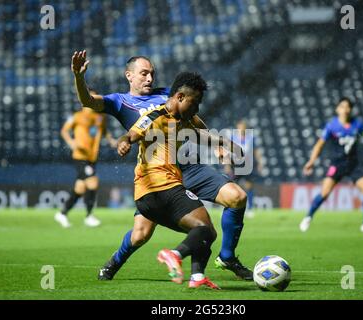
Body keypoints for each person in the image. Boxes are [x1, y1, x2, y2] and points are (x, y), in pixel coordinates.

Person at [70, 50, 253, 280]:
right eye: (144, 73)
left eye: (152, 74)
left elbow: (192, 118)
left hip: (189, 167)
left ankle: (226, 257)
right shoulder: (119, 101)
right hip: (158, 175)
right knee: (140, 235)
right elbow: (88, 101)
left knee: (237, 197)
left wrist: (216, 146)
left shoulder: (168, 94)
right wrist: (78, 76)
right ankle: (113, 263)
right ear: (129, 75)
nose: (149, 78)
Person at [116, 71, 220, 289]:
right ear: (180, 97)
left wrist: (219, 145)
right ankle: (174, 255)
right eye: (195, 102)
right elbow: (132, 134)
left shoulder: (185, 119)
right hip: (160, 187)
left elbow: (202, 130)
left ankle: (197, 278)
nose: (197, 108)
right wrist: (124, 142)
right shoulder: (156, 115)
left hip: (152, 197)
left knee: (204, 233)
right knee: (204, 228)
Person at [299, 97, 363, 232]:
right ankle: (308, 217)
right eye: (342, 106)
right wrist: (311, 161)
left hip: (353, 164)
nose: (345, 110)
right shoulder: (332, 126)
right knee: (324, 193)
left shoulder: (358, 125)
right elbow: (319, 144)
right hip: (337, 164)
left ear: (350, 109)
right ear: (337, 109)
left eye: (348, 107)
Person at [55, 90, 117, 228]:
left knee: (80, 187)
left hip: (92, 157)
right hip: (80, 156)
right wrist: (71, 143)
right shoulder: (77, 116)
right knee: (93, 182)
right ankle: (89, 216)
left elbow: (104, 130)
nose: (92, 100)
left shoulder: (100, 117)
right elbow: (64, 130)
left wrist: (111, 140)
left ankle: (62, 213)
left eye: (94, 98)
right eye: (90, 97)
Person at [224, 119, 264, 218]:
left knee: (249, 186)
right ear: (238, 127)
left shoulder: (251, 138)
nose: (241, 128)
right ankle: (229, 207)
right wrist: (227, 164)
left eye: (243, 126)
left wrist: (260, 163)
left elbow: (256, 151)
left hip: (248, 164)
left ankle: (249, 208)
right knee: (232, 186)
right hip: (236, 165)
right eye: (240, 126)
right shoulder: (233, 137)